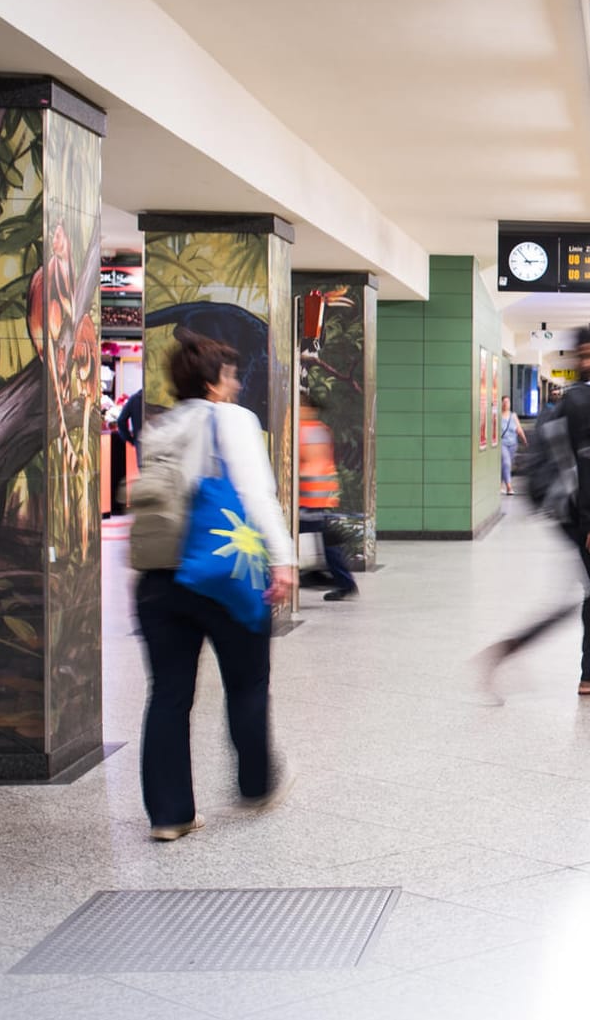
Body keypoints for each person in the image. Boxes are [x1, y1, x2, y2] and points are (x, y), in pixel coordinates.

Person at [134, 332, 296, 841]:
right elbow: (255, 493)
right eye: (230, 376)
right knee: (246, 684)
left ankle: (169, 815)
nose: (236, 386)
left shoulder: (158, 428)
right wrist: (284, 560)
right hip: (221, 575)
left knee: (168, 695)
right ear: (213, 382)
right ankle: (255, 785)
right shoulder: (231, 420)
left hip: (159, 580)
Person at [479, 326, 590, 699]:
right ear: (584, 354)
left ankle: (549, 659)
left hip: (566, 510)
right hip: (575, 513)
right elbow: (581, 464)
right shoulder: (583, 402)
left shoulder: (577, 397)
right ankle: (586, 673)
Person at [299, 395, 358, 601]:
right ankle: (340, 581)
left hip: (310, 498)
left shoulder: (312, 431)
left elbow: (314, 464)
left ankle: (329, 578)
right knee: (326, 540)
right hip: (311, 498)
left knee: (322, 539)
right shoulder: (310, 428)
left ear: (309, 408)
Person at [498, 395, 527, 495]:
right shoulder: (498, 416)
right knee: (506, 463)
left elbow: (518, 429)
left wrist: (524, 440)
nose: (506, 404)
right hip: (502, 444)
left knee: (505, 465)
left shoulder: (513, 415)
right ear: (501, 403)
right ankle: (509, 487)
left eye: (508, 402)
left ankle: (500, 484)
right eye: (504, 402)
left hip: (513, 445)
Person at [116, 386, 143, 465]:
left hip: (141, 444)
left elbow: (121, 421)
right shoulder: (160, 399)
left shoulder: (134, 399)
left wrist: (131, 440)